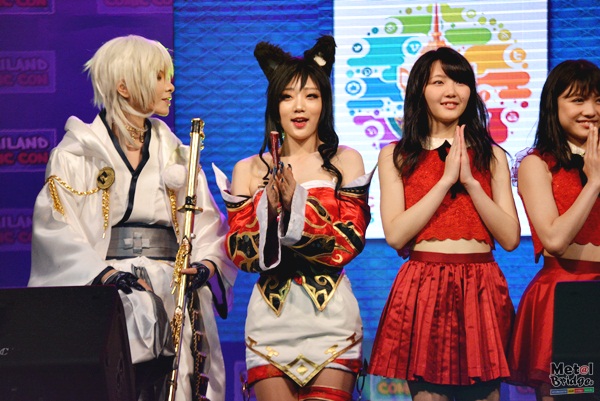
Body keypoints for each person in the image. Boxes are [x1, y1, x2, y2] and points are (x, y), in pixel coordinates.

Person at [28, 35, 237, 401]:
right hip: (109, 294)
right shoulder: (76, 155)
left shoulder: (178, 155)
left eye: (170, 77)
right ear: (124, 86)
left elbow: (207, 226)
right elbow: (57, 229)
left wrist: (206, 265)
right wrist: (105, 274)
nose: (171, 86)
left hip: (172, 289)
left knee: (178, 385)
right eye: (159, 77)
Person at [213, 35, 372, 401]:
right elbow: (240, 254)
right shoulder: (249, 169)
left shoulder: (345, 161)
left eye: (311, 96)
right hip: (270, 324)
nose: (299, 107)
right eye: (287, 96)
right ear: (275, 104)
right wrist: (269, 209)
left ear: (324, 103)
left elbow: (348, 241)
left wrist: (296, 203)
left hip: (332, 321)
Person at [368, 46, 520, 401]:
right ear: (419, 89)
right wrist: (445, 180)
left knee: (487, 394)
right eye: (439, 82)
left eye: (459, 81)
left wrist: (471, 183)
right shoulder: (396, 154)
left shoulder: (492, 154)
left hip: (481, 284)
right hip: (424, 284)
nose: (451, 91)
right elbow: (396, 235)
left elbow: (511, 237)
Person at [508, 59, 600, 401]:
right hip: (568, 301)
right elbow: (555, 240)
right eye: (578, 100)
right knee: (573, 395)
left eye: (599, 101)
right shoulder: (537, 164)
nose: (590, 111)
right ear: (553, 105)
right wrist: (594, 182)